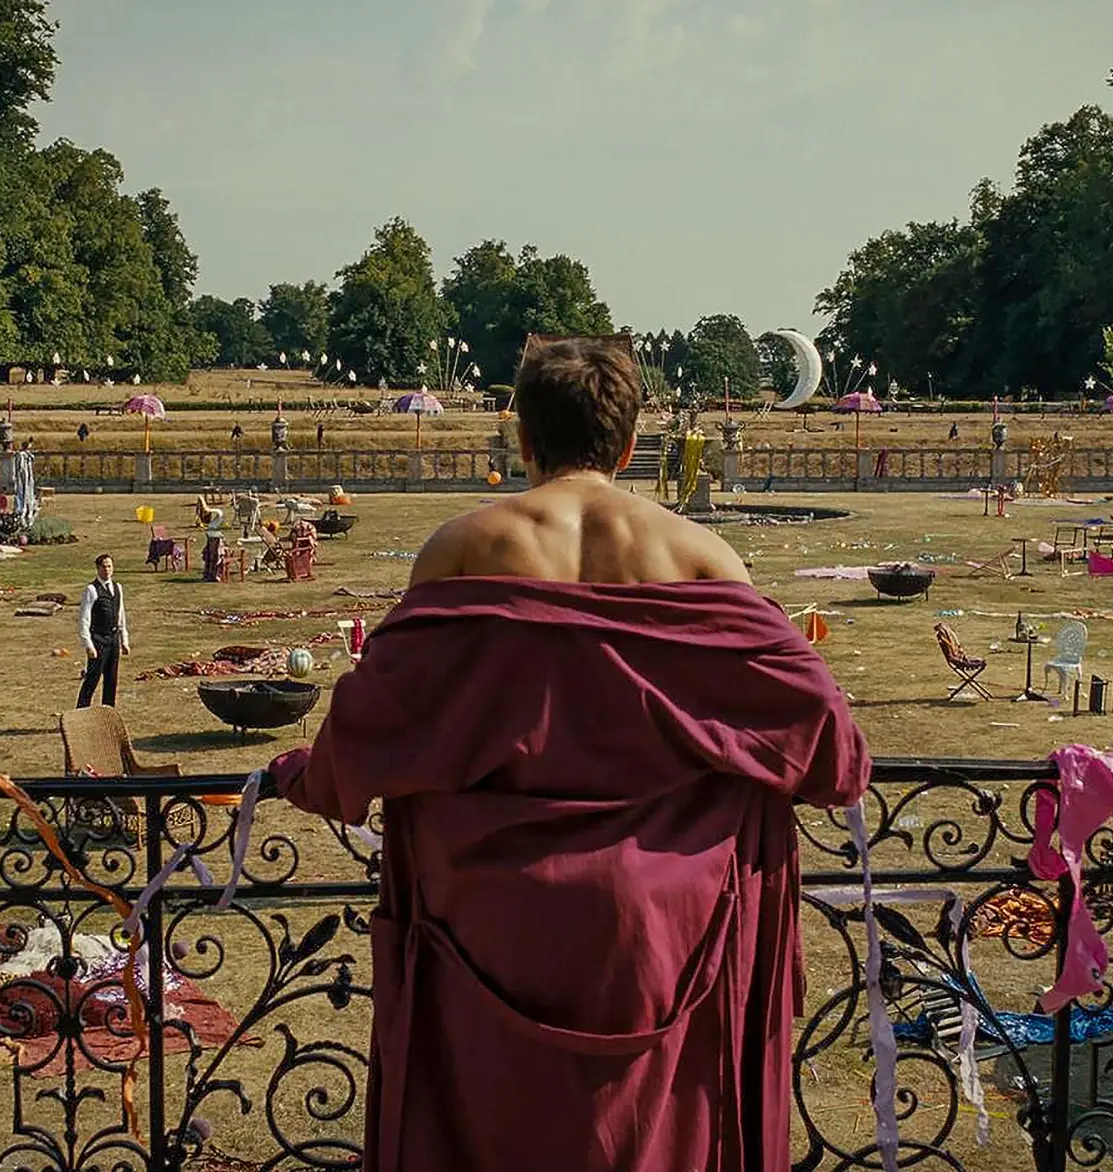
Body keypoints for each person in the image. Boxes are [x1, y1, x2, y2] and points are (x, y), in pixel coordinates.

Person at [268, 335, 870, 1171]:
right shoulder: (700, 558)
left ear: (522, 440)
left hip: (484, 920)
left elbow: (375, 726)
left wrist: (301, 776)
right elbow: (830, 747)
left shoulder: (465, 549)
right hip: (666, 935)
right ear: (630, 445)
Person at [76, 553, 130, 707]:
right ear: (98, 569)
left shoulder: (117, 588)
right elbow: (84, 620)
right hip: (98, 640)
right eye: (104, 567)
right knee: (92, 679)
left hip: (113, 640)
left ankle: (108, 713)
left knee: (111, 679)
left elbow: (121, 616)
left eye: (109, 566)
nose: (107, 570)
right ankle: (81, 712)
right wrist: (88, 645)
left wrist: (124, 640)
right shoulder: (91, 590)